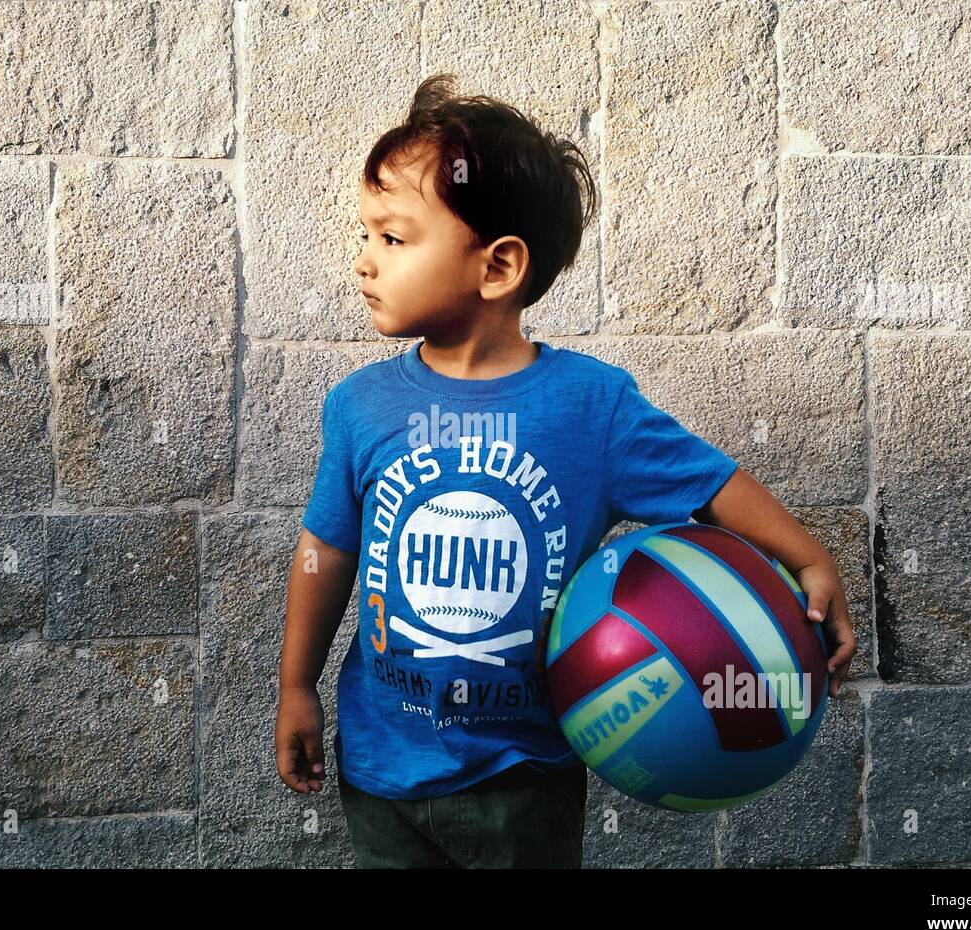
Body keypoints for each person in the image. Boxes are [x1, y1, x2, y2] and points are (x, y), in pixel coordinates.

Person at [276, 74, 858, 869]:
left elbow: (713, 486)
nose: (363, 261)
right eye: (365, 235)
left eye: (394, 238)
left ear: (498, 267)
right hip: (382, 765)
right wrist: (296, 685)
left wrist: (808, 557)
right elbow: (326, 550)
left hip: (528, 777)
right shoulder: (361, 406)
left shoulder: (592, 408)